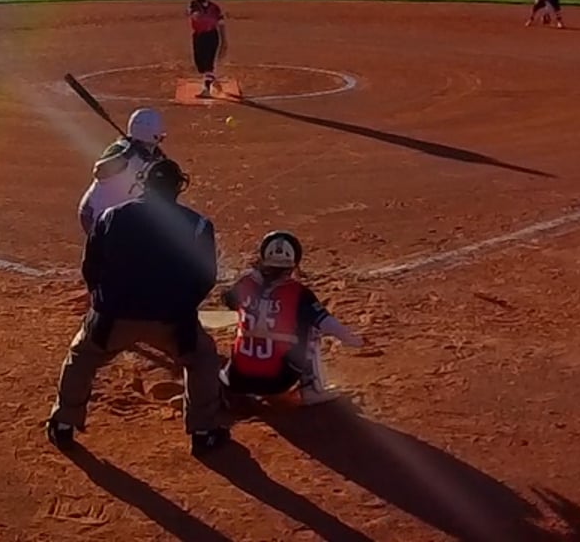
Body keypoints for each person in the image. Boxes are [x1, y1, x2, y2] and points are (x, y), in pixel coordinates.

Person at [47, 158, 232, 457]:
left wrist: (103, 303)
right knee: (202, 359)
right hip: (172, 320)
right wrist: (181, 308)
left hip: (113, 317)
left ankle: (63, 423)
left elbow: (91, 267)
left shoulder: (110, 216)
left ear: (144, 184)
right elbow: (205, 277)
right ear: (178, 187)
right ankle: (203, 431)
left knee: (82, 356)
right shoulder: (198, 225)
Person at [220, 231, 363, 407]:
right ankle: (311, 389)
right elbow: (327, 324)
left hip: (238, 380)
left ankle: (227, 383)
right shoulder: (299, 293)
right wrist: (354, 339)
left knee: (243, 330)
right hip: (278, 380)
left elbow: (227, 299)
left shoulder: (245, 283)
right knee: (311, 327)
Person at [77, 107, 166, 238]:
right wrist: (127, 154)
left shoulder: (156, 156)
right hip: (97, 214)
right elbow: (100, 171)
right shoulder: (120, 149)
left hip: (121, 217)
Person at [187, 0, 228, 97]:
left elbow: (221, 24)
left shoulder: (215, 8)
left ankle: (206, 89)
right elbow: (194, 14)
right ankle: (213, 80)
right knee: (200, 65)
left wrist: (224, 40)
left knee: (208, 63)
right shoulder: (194, 4)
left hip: (211, 36)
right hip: (199, 36)